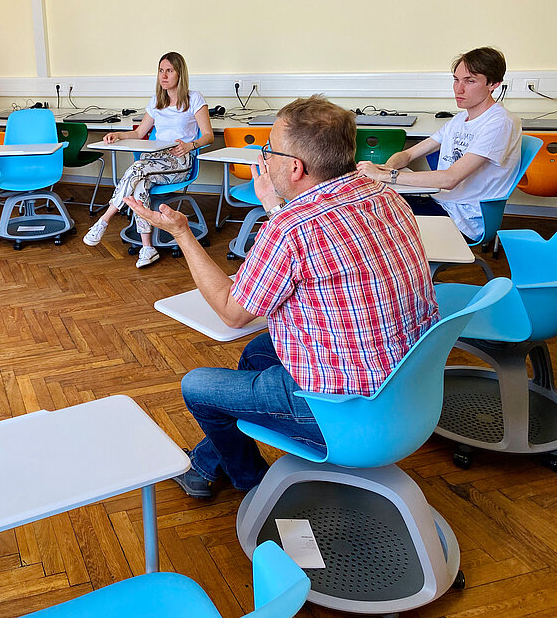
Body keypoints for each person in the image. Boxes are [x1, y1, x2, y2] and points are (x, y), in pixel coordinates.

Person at [126, 96, 438, 498]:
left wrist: (183, 234)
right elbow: (319, 246)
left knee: (197, 387)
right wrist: (274, 204)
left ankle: (253, 482)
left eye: (268, 150)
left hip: (342, 411)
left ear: (295, 167)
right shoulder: (384, 196)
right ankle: (206, 466)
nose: (264, 158)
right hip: (406, 385)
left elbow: (231, 312)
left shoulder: (291, 230)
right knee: (257, 353)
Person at [357, 47, 521, 242]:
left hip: (463, 220)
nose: (459, 89)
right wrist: (388, 167)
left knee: (371, 219)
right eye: (456, 80)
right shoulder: (460, 120)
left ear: (494, 84)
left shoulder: (499, 123)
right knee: (369, 206)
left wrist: (386, 176)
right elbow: (408, 155)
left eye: (470, 81)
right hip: (442, 204)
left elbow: (449, 179)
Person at [82, 52, 213, 268]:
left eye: (169, 70)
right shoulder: (156, 102)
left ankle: (104, 220)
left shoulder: (194, 99)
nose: (164, 75)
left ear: (180, 73)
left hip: (179, 161)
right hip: (154, 161)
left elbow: (208, 135)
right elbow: (140, 132)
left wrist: (190, 145)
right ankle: (147, 247)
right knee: (139, 185)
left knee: (136, 169)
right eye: (161, 71)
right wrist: (118, 136)